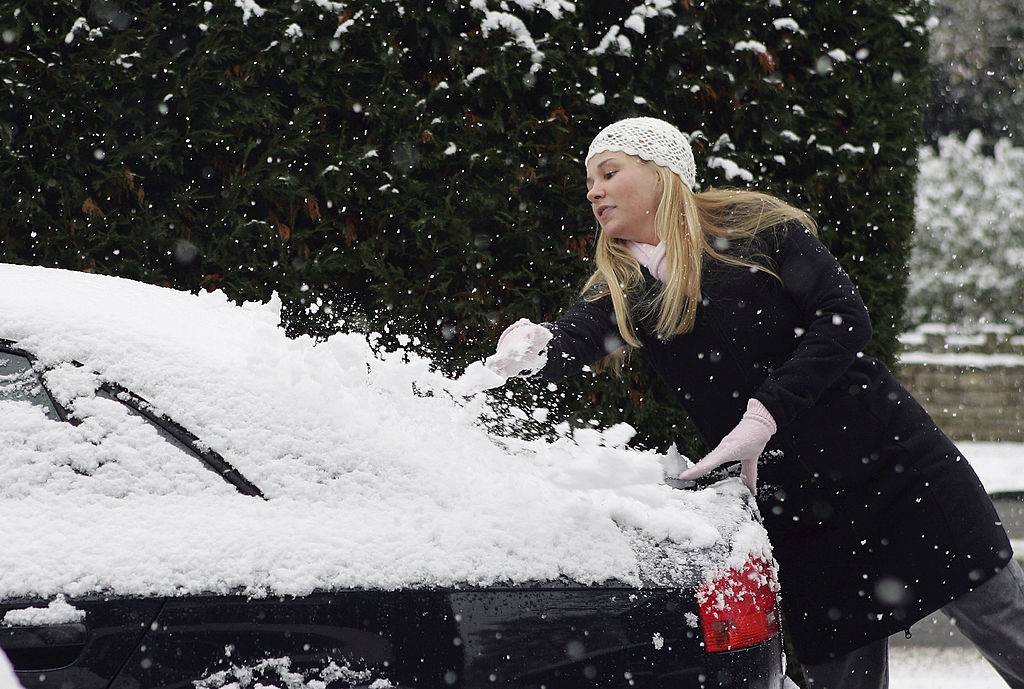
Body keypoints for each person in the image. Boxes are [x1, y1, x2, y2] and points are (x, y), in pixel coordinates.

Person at [483, 117, 1024, 688]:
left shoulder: (760, 231)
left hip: (892, 463)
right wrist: (532, 351)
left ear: (663, 173)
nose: (593, 190)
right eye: (589, 180)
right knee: (841, 675)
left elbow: (843, 321)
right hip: (801, 511)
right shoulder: (621, 286)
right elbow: (569, 344)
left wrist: (763, 414)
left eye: (609, 172)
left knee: (1005, 621)